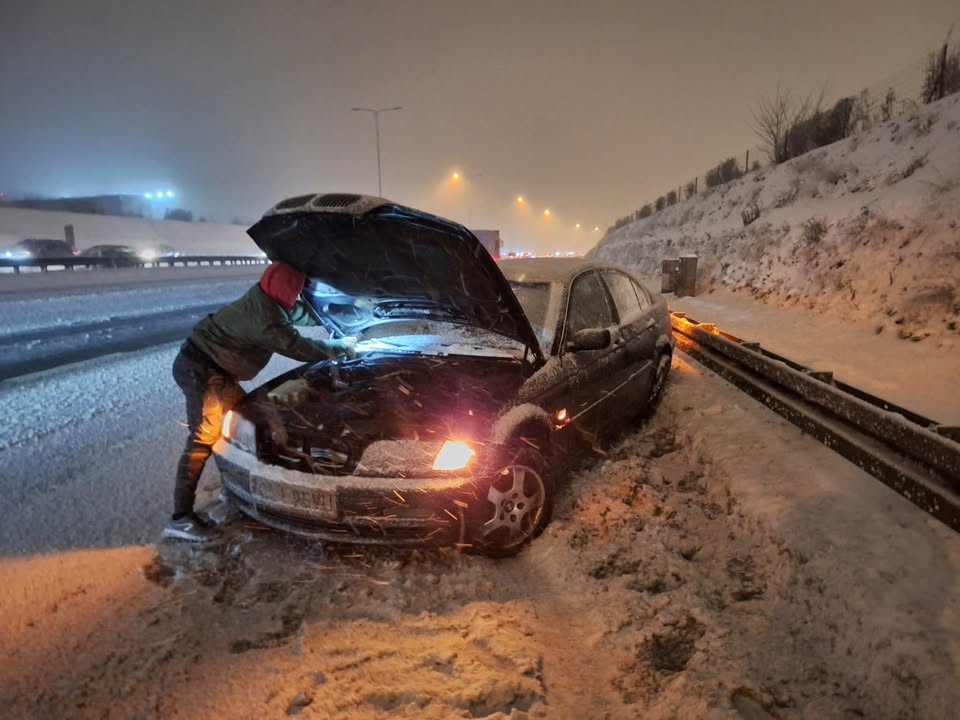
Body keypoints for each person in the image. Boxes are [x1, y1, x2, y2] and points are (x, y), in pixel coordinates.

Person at [163, 260, 352, 542]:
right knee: (203, 438)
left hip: (217, 370)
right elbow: (297, 346)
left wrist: (337, 312)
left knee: (246, 424)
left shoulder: (265, 297)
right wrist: (340, 348)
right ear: (289, 292)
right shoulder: (265, 319)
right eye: (296, 293)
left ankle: (238, 488)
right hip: (200, 370)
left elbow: (297, 313)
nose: (295, 300)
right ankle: (181, 518)